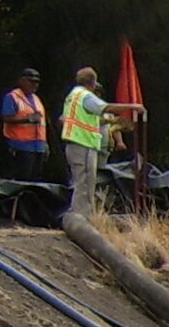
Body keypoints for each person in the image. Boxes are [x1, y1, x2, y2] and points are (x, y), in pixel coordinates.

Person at [58, 66, 141, 217]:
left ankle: (81, 216)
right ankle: (82, 218)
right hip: (82, 144)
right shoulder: (85, 96)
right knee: (85, 184)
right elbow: (105, 107)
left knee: (82, 183)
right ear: (93, 83)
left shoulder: (73, 95)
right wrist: (133, 106)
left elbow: (90, 116)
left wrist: (113, 121)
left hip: (76, 144)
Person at [0, 68, 49, 179]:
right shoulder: (12, 97)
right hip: (20, 145)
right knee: (22, 179)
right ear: (21, 81)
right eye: (31, 81)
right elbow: (6, 117)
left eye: (37, 82)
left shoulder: (36, 99)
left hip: (38, 146)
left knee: (35, 179)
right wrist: (27, 119)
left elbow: (41, 124)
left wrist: (44, 144)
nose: (34, 85)